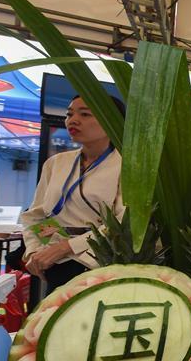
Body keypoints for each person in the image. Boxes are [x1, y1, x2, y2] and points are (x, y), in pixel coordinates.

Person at [20, 95, 124, 295]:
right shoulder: (56, 163)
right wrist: (35, 250)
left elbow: (122, 222)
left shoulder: (126, 165)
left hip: (100, 264)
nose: (72, 120)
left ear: (111, 119)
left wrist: (67, 246)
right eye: (69, 114)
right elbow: (36, 215)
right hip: (56, 263)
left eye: (84, 114)